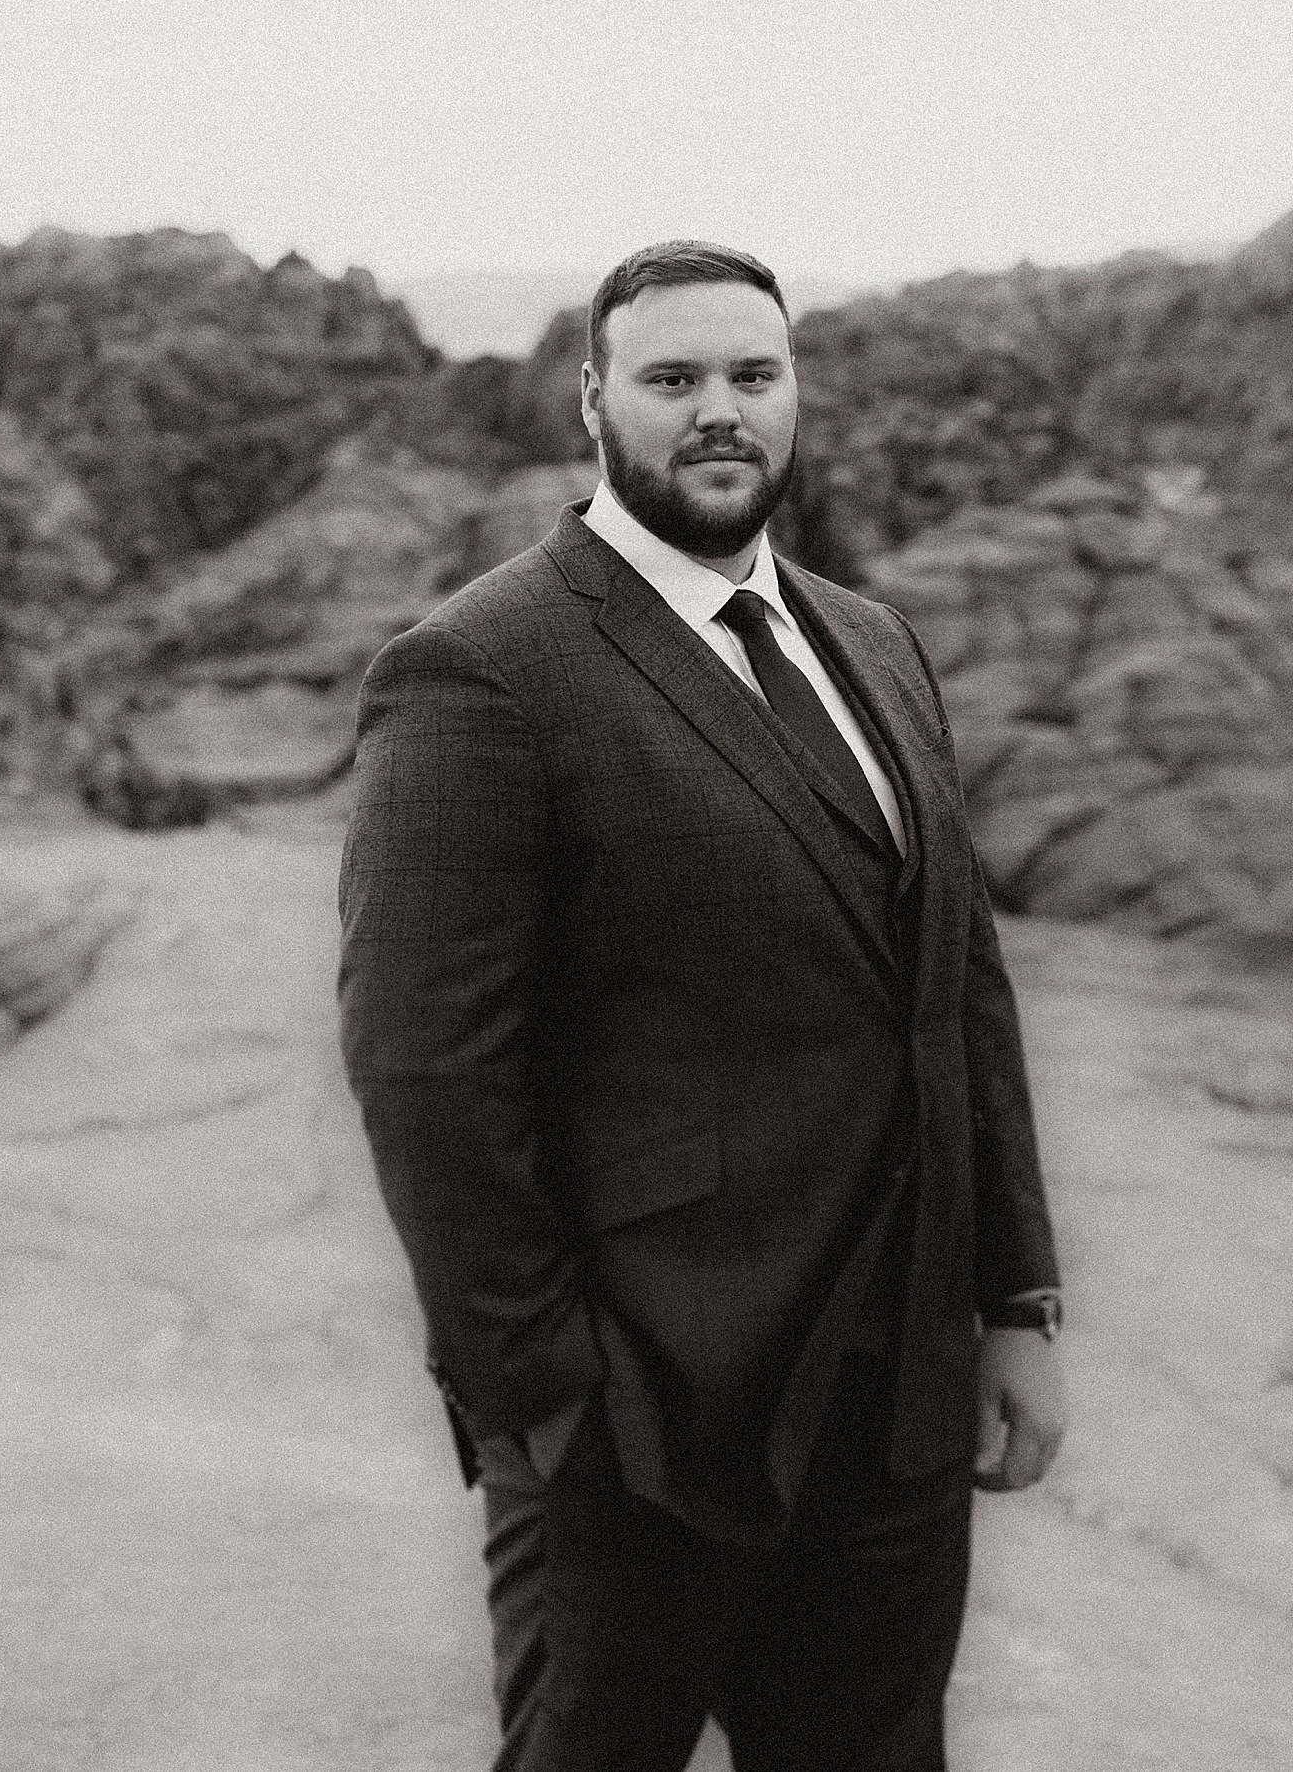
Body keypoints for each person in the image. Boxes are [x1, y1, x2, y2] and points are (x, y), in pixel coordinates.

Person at [338, 241, 1065, 1772]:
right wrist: (550, 1410)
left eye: (754, 374)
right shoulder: (481, 668)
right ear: (595, 402)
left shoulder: (874, 641)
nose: (719, 411)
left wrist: (1014, 1303)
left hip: (895, 1418)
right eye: (674, 380)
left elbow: (958, 993)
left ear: (797, 393)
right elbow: (426, 1076)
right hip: (642, 1427)